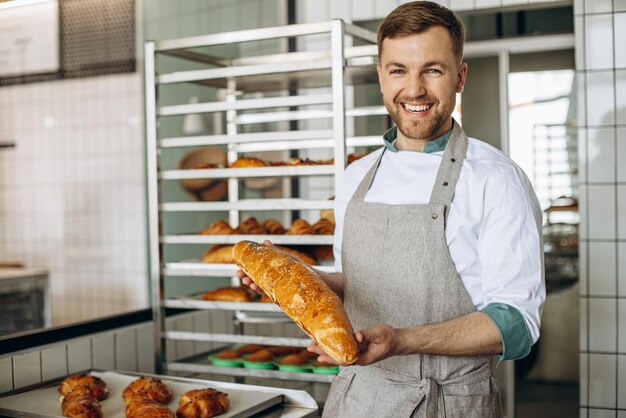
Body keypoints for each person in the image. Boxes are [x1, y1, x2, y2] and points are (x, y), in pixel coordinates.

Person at [239, 1, 545, 416]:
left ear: (460, 77)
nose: (415, 89)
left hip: (447, 402)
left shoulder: (496, 178)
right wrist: (297, 280)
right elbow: (358, 280)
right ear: (381, 77)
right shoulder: (356, 176)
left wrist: (402, 340)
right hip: (358, 398)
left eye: (433, 70)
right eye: (399, 70)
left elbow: (516, 324)